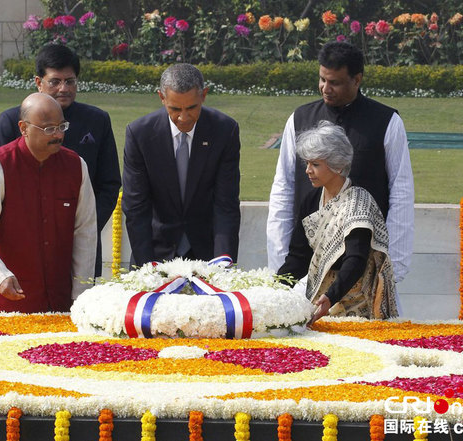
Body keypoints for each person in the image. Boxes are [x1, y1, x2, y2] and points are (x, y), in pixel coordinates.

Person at [267, 41, 414, 312]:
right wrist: (278, 266)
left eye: (334, 82)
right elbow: (283, 187)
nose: (325, 88)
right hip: (307, 275)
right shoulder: (299, 118)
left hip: (364, 279)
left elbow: (401, 190)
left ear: (357, 80)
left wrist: (397, 264)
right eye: (322, 79)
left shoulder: (387, 122)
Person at [0, 93, 97, 313]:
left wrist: (82, 295)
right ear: (23, 128)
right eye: (49, 129)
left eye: (62, 126)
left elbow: (86, 233)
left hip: (58, 300)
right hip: (1, 300)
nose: (58, 134)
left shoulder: (76, 166)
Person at [0, 44, 120, 277]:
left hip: (79, 245)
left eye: (70, 81)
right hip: (22, 247)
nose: (64, 88)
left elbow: (109, 184)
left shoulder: (97, 121)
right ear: (38, 82)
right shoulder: (12, 121)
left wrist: (83, 229)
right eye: (55, 81)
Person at [278, 121, 398, 323]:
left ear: (338, 165)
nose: (308, 170)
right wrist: (274, 288)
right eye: (307, 163)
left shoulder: (357, 203)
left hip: (358, 305)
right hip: (320, 301)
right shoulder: (311, 200)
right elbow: (298, 257)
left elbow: (355, 259)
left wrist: (332, 296)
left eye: (315, 164)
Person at [122, 63, 241, 266]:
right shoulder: (140, 134)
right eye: (175, 109)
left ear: (204, 95)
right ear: (161, 97)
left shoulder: (224, 130)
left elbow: (226, 204)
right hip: (154, 253)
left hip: (208, 253)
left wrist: (223, 263)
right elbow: (136, 208)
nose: (183, 118)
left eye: (192, 108)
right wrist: (146, 268)